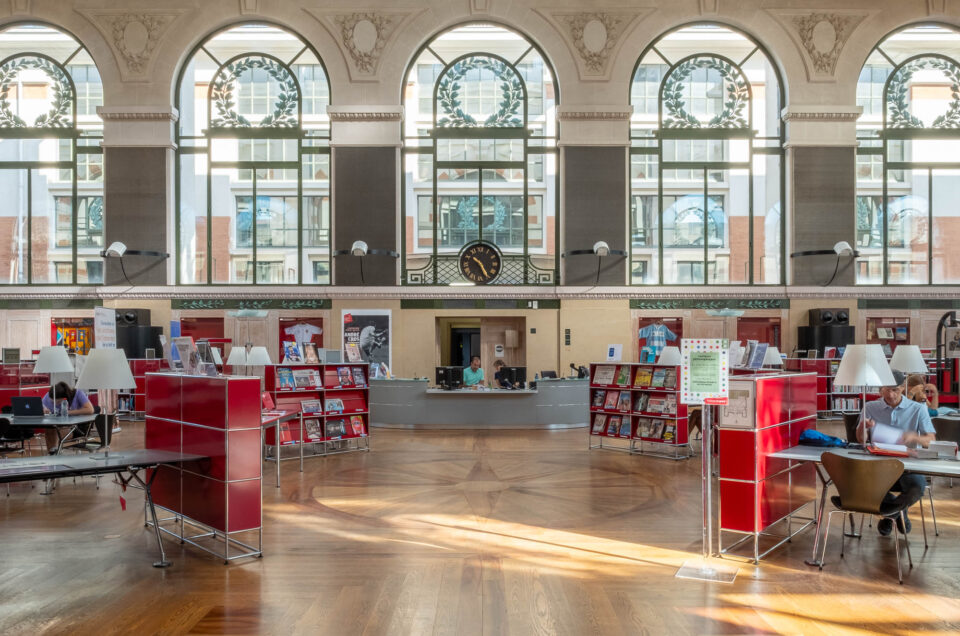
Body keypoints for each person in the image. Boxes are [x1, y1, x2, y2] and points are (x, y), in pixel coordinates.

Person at [857, 370, 936, 535]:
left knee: (917, 488)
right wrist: (863, 427)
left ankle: (888, 516)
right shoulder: (870, 407)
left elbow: (931, 439)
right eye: (887, 390)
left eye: (896, 390)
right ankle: (899, 513)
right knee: (865, 484)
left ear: (903, 389)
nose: (891, 395)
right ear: (880, 389)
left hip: (907, 467)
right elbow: (860, 440)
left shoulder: (918, 409)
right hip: (878, 466)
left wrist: (914, 436)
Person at [41, 381, 94, 454]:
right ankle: (53, 453)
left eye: (57, 402)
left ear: (64, 398)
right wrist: (44, 410)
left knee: (53, 430)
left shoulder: (78, 393)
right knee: (49, 429)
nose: (54, 404)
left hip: (76, 427)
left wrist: (68, 412)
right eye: (52, 401)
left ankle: (54, 453)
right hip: (57, 425)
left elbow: (90, 409)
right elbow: (41, 406)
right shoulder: (51, 395)